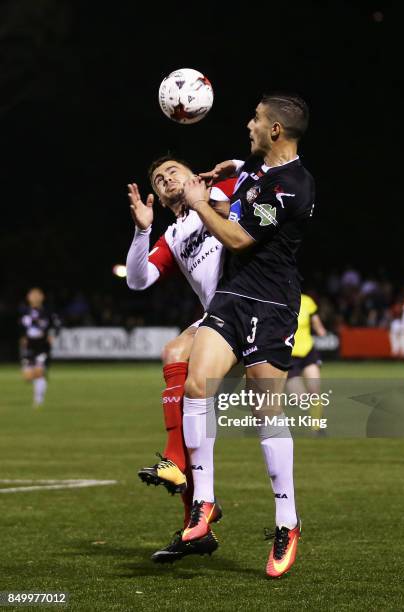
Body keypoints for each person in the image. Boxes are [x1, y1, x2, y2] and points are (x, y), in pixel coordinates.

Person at [179, 92, 315, 578]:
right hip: (234, 295)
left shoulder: (293, 187)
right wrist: (230, 168)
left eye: (257, 120)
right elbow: (253, 175)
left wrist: (198, 203)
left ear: (276, 130)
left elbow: (237, 238)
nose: (249, 124)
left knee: (266, 410)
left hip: (273, 304)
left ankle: (287, 521)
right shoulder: (259, 167)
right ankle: (205, 503)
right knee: (197, 386)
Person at [126, 156, 236, 562]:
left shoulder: (219, 195)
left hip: (248, 310)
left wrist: (227, 173)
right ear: (156, 194)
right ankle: (197, 524)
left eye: (174, 170)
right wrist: (142, 230)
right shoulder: (173, 234)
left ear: (194, 175)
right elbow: (139, 280)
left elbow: (269, 182)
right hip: (217, 317)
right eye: (159, 177)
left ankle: (178, 464)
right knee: (173, 354)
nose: (166, 177)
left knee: (267, 421)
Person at [286, 294, 327, 435]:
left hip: (308, 352)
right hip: (288, 356)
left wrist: (320, 330)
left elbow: (316, 321)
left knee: (314, 390)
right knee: (300, 399)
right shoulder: (279, 298)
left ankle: (318, 428)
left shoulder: (307, 301)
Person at [19, 287, 60, 408]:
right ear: (28, 297)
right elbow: (21, 328)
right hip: (29, 346)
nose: (35, 297)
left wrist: (52, 335)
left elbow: (58, 325)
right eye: (32, 295)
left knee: (39, 372)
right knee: (28, 376)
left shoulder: (48, 312)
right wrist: (22, 337)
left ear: (42, 297)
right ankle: (38, 379)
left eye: (37, 295)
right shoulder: (24, 312)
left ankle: (38, 400)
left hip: (42, 346)